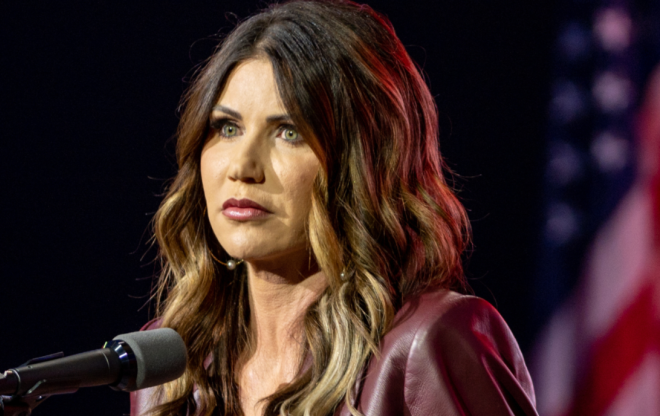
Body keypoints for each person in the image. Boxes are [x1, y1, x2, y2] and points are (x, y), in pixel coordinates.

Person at [131, 1, 538, 415]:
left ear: (362, 163)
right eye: (227, 128)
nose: (242, 167)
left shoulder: (424, 345)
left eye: (289, 132)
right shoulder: (169, 366)